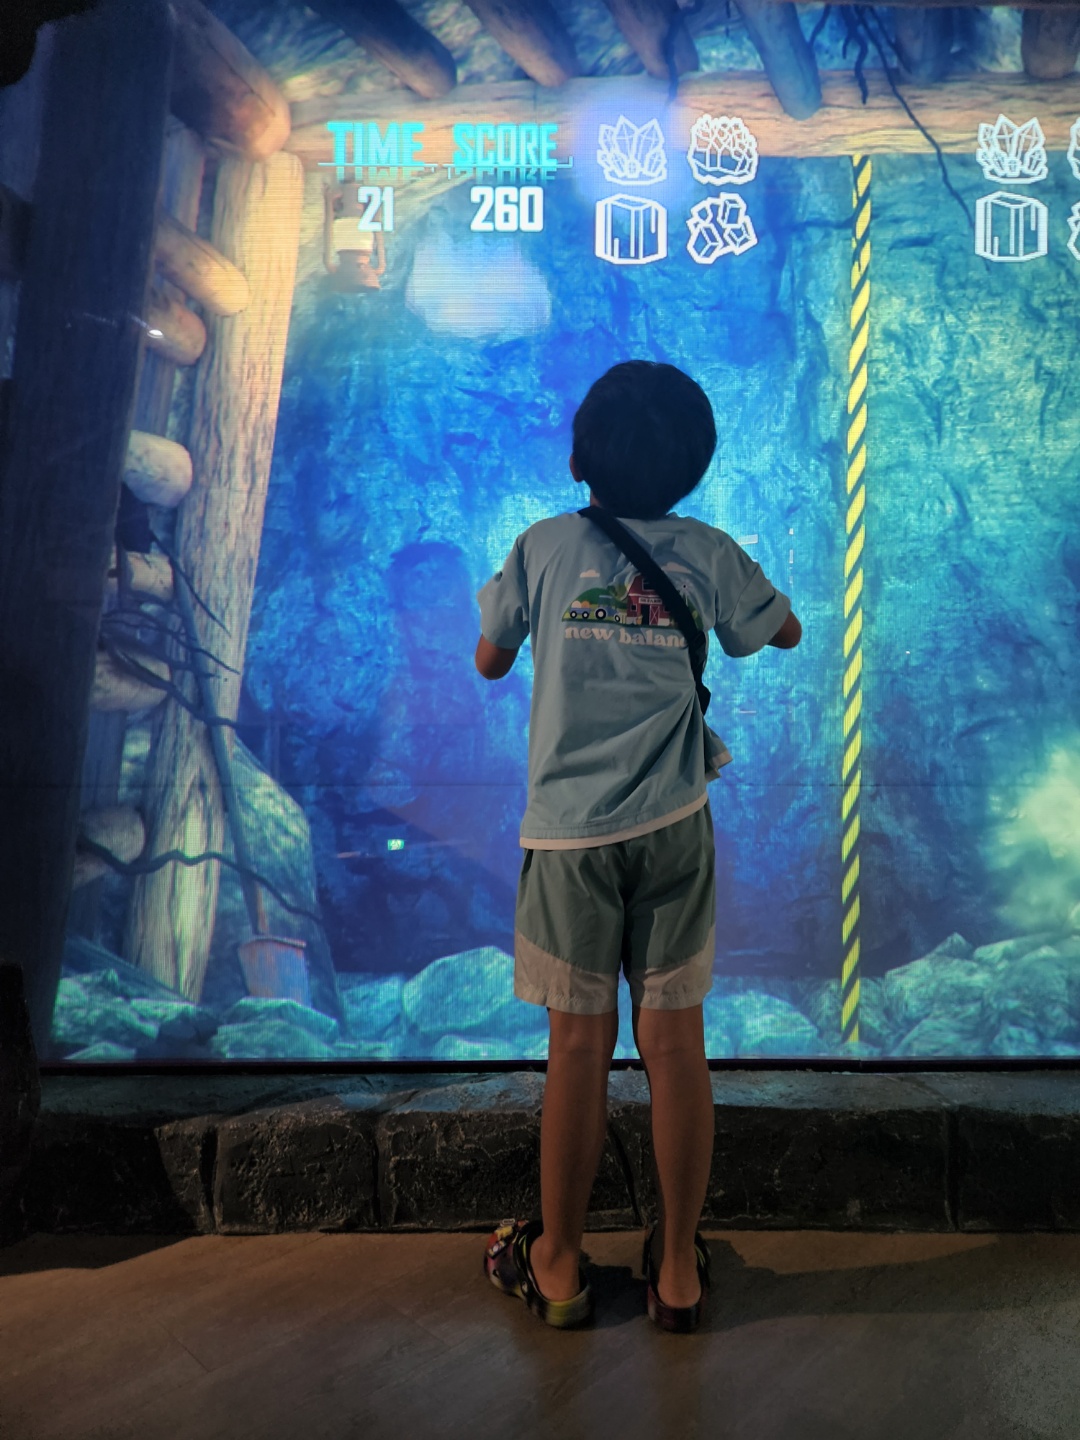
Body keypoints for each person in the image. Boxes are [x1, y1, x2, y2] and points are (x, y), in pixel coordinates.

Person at [474, 360, 802, 1332]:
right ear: (695, 468)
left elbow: (489, 659)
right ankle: (678, 1271)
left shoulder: (541, 547)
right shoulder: (707, 551)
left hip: (568, 839)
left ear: (578, 458)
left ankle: (558, 1267)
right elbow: (781, 633)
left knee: (577, 1046)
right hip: (672, 830)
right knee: (675, 1044)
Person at [323, 183, 386, 292]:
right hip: (353, 238)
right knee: (352, 204)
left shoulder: (378, 270)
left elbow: (327, 235)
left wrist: (328, 202)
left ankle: (350, 193)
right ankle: (351, 194)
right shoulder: (378, 270)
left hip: (350, 236)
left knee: (352, 205)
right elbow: (379, 234)